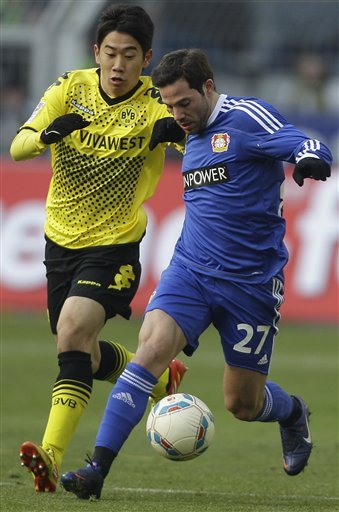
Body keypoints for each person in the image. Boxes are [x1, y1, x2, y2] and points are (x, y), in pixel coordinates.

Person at [60, 48, 332, 500]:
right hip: (191, 271)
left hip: (252, 284)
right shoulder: (185, 132)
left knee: (242, 404)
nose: (177, 114)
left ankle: (292, 412)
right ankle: (96, 469)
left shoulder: (246, 118)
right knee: (149, 352)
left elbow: (303, 141)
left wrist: (310, 158)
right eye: (169, 104)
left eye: (184, 102)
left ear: (208, 87)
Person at [10, 5, 187, 494]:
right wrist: (49, 134)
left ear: (145, 58)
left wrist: (180, 135)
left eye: (129, 56)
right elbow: (19, 147)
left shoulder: (156, 102)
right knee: (77, 352)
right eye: (110, 53)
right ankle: (156, 376)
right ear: (96, 52)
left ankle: (51, 456)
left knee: (71, 331)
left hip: (114, 244)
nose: (117, 65)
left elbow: (207, 144)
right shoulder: (71, 88)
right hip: (59, 240)